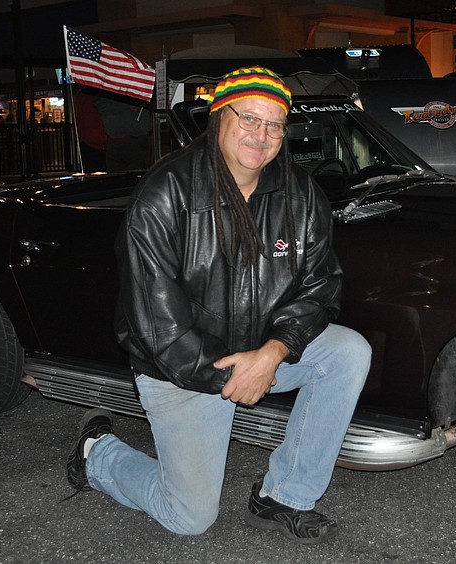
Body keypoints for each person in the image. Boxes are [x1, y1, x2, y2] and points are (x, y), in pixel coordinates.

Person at [66, 66, 372, 544]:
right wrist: (232, 375)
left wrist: (271, 353)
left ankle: (285, 495)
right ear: (218, 119)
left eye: (274, 124)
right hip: (182, 370)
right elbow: (160, 330)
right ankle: (97, 452)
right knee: (189, 517)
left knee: (347, 351)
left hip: (258, 353)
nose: (262, 135)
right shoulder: (164, 194)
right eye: (248, 118)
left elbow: (321, 288)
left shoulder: (301, 194)